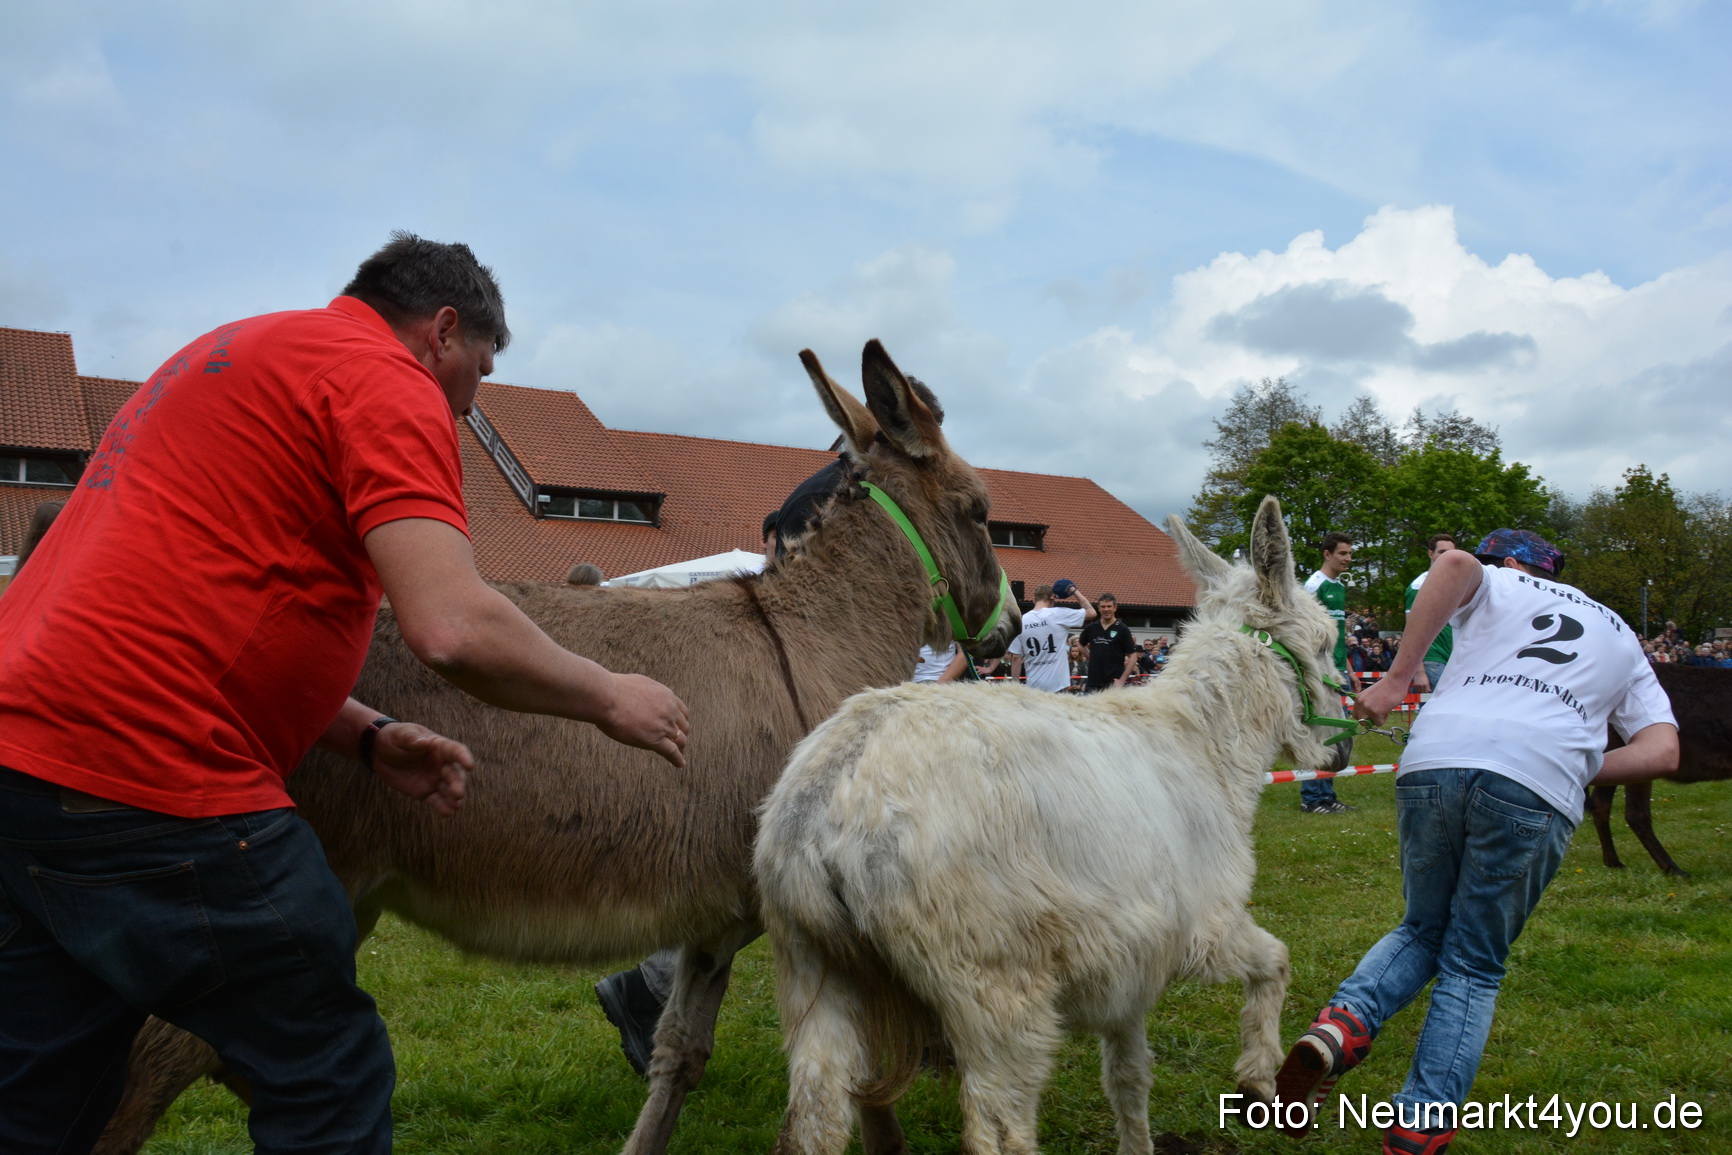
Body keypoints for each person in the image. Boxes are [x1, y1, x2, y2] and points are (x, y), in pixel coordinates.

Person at [0, 235, 692, 1155]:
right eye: (479, 370)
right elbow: (450, 623)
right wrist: (610, 694)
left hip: (26, 766)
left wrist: (365, 735)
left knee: (42, 1090)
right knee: (327, 1063)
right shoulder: (383, 379)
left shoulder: (226, 354)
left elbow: (186, 610)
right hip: (153, 771)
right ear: (442, 331)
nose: (472, 398)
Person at [1273, 529, 1677, 1155]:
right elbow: (1662, 749)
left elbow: (1455, 565)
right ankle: (1419, 1126)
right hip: (1534, 784)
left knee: (1421, 928)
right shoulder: (1621, 631)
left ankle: (1340, 1028)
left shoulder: (1501, 580)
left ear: (1514, 565)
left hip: (1438, 755)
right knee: (1473, 963)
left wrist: (1394, 681)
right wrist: (1563, 761)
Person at [595, 375, 952, 1077]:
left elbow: (766, 580)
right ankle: (925, 1029)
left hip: (785, 690)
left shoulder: (805, 493)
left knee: (779, 865)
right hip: (821, 697)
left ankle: (654, 987)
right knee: (834, 864)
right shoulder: (864, 496)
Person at [1299, 532, 1358, 814]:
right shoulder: (1314, 585)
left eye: (1349, 554)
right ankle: (1312, 798)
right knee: (1321, 731)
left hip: (1337, 670)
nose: (1348, 558)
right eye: (1343, 554)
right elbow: (1305, 630)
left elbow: (1336, 635)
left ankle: (1327, 795)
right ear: (1327, 554)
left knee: (1337, 732)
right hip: (1320, 671)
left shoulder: (1339, 587)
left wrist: (1349, 669)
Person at [1008, 580, 1097, 692]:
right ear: (1052, 598)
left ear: (1034, 599)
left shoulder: (1021, 621)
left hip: (1034, 686)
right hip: (1058, 685)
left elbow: (1016, 658)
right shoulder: (1059, 614)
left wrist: (1015, 688)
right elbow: (1092, 612)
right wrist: (1074, 591)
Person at [1407, 534, 1457, 693]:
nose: (1447, 557)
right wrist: (1419, 671)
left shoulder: (1456, 585)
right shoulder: (1419, 587)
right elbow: (1411, 630)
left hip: (1453, 660)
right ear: (1431, 554)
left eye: (1451, 553)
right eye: (1442, 552)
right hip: (1432, 661)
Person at [1079, 592, 1139, 692]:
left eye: (1109, 606)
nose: (1106, 609)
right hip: (1093, 683)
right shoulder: (1091, 628)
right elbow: (1080, 644)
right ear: (1098, 608)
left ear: (1115, 608)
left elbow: (1133, 657)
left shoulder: (1122, 629)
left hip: (1113, 684)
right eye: (1103, 606)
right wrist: (1090, 656)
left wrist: (1122, 680)